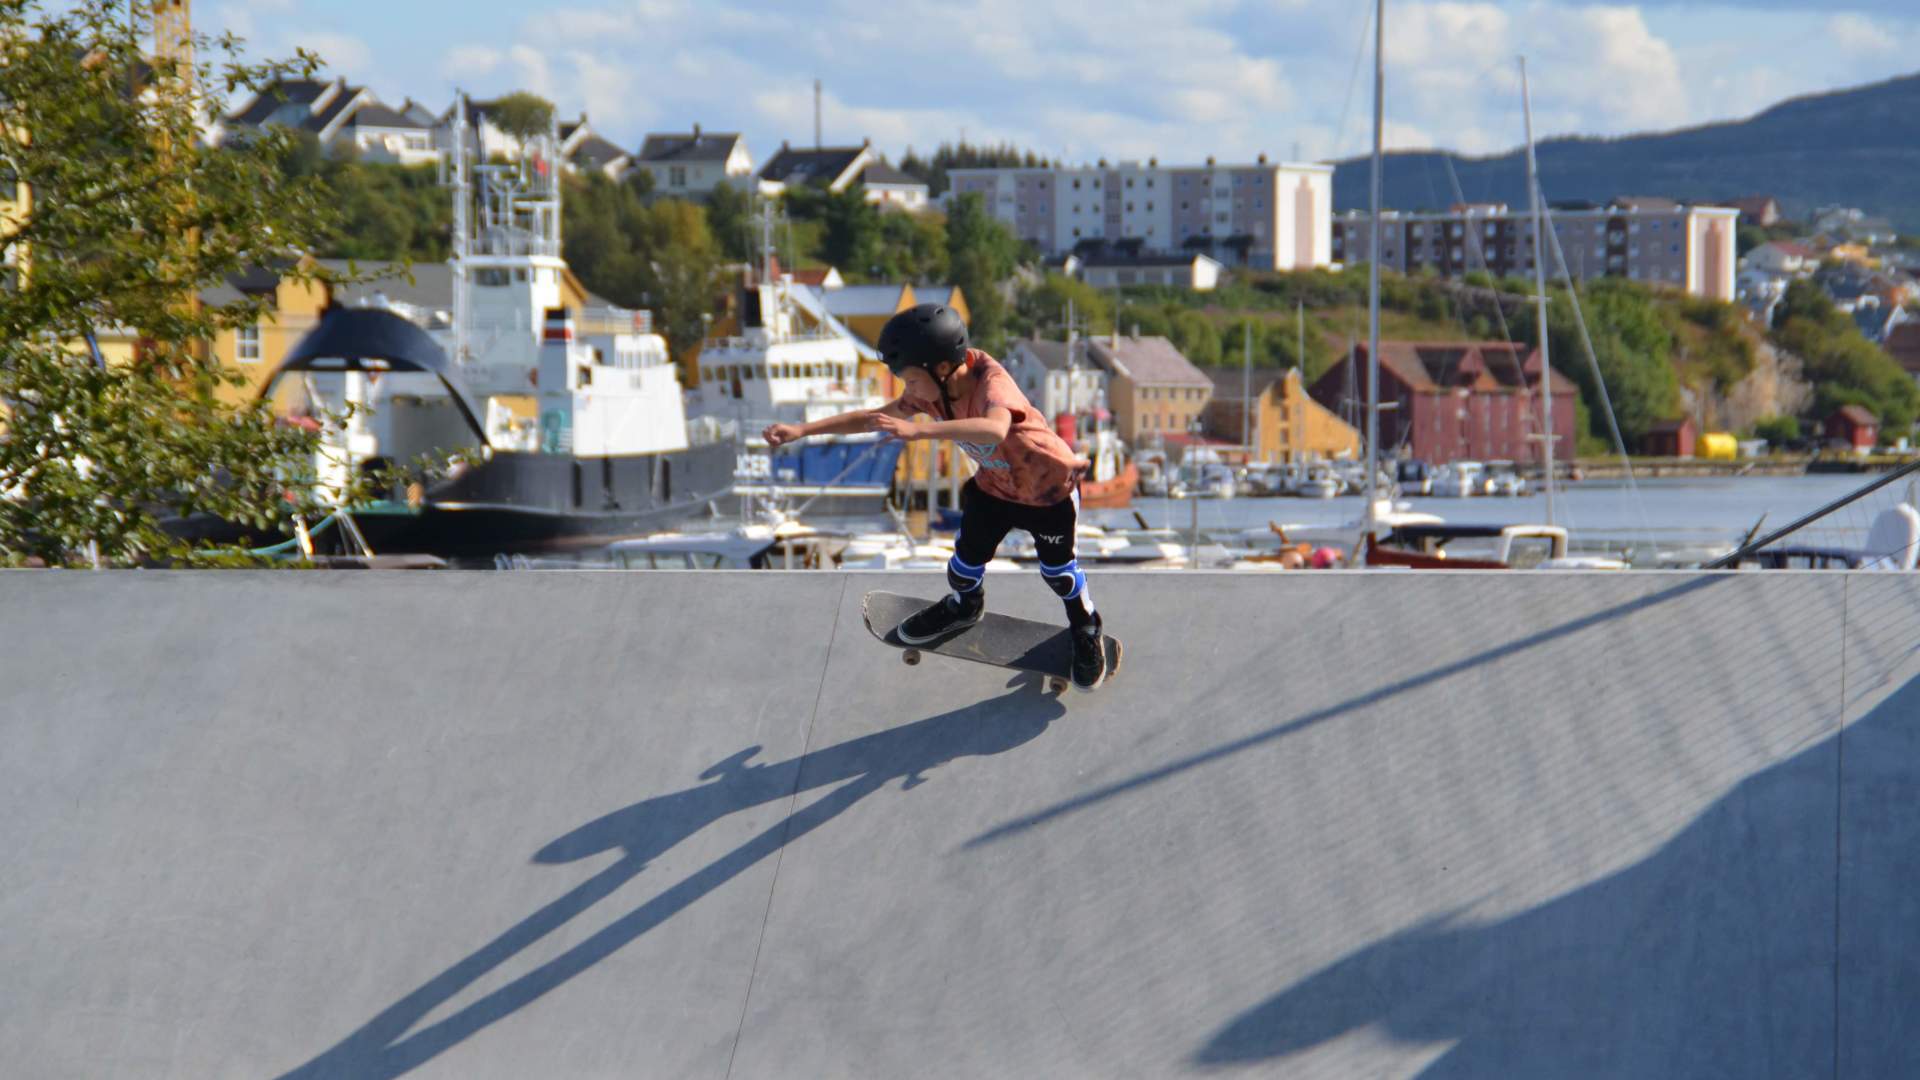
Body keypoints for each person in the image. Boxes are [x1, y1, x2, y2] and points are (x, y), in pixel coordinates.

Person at [764, 303, 1108, 691]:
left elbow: (995, 430)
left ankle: (1086, 628)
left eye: (910, 381)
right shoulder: (931, 390)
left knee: (1059, 575)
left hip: (1049, 490)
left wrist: (920, 433)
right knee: (963, 567)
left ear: (941, 369)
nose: (907, 392)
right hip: (995, 488)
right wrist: (802, 429)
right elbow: (872, 417)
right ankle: (965, 608)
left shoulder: (991, 381)